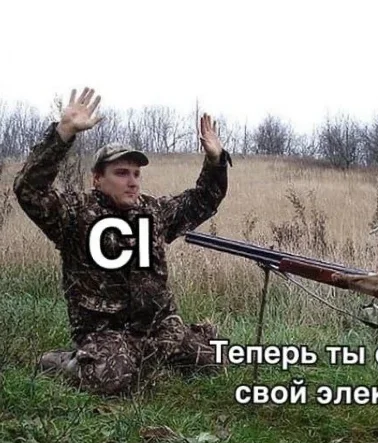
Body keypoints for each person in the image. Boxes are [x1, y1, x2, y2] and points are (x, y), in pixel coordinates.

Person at [13, 87, 232, 395]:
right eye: (121, 173)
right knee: (112, 379)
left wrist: (215, 160)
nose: (132, 182)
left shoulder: (153, 211)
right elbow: (29, 191)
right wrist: (63, 134)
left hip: (158, 327)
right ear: (97, 179)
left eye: (136, 174)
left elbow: (203, 200)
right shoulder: (75, 215)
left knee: (214, 361)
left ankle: (154, 355)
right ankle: (65, 362)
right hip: (105, 331)